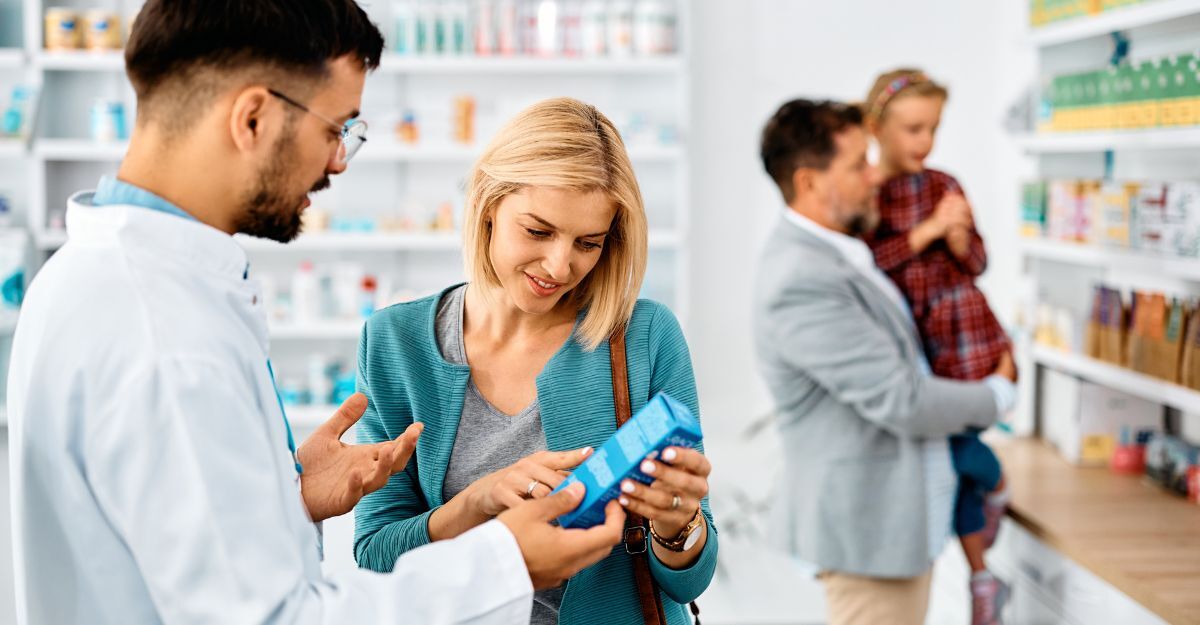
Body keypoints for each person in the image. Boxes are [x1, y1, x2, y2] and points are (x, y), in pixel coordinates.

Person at [5, 2, 624, 623]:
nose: (336, 162)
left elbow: (175, 549)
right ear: (252, 118)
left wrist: (289, 498)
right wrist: (505, 564)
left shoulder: (80, 278)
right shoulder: (168, 337)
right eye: (335, 129)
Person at [352, 97, 718, 625]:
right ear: (488, 204)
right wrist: (477, 503)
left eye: (588, 243)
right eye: (539, 231)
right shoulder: (395, 342)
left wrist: (678, 524)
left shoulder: (642, 335)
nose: (560, 266)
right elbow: (375, 557)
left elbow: (688, 581)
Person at [752, 99, 1018, 625]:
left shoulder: (841, 253)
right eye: (858, 165)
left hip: (891, 536)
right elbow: (903, 398)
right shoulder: (801, 278)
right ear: (809, 182)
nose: (876, 175)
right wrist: (998, 393)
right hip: (867, 543)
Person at [864, 68, 1013, 625]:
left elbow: (978, 263)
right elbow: (866, 269)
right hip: (919, 350)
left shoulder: (945, 183)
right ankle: (984, 563)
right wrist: (925, 233)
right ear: (877, 127)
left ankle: (981, 576)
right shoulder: (868, 195)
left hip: (966, 336)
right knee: (954, 462)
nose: (925, 142)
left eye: (933, 129)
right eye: (913, 129)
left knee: (953, 454)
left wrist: (958, 237)